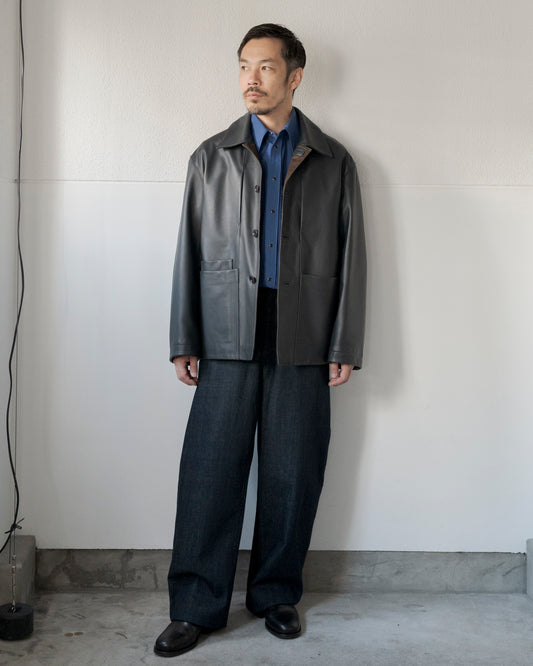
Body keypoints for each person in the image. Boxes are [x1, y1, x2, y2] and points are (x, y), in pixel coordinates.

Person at [154, 23, 366, 658]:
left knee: (293, 471)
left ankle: (276, 595)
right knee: (210, 471)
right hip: (225, 328)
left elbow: (353, 258)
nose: (252, 78)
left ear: (294, 77)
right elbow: (188, 251)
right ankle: (195, 606)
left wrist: (343, 344)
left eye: (267, 67)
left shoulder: (333, 161)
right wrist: (183, 337)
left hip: (304, 330)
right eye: (245, 65)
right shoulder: (210, 157)